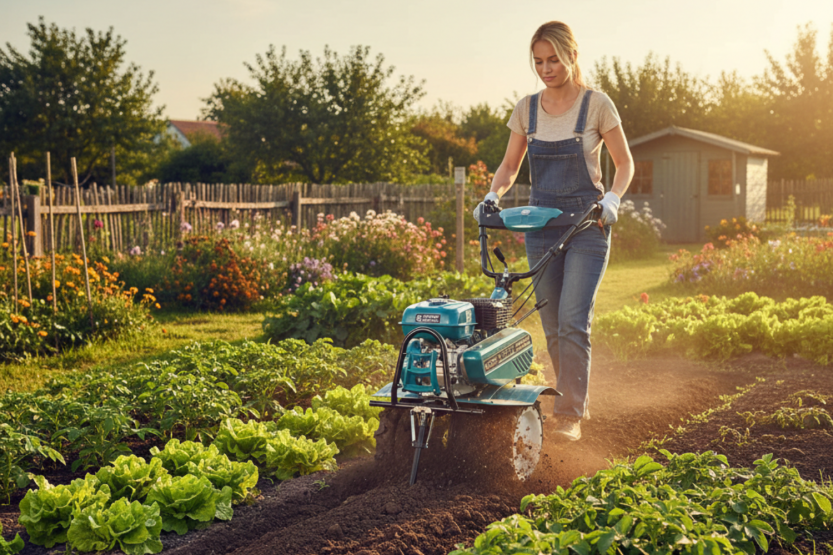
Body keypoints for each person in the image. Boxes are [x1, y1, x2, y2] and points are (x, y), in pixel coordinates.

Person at [475, 21, 634, 441]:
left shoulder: (597, 105)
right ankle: (573, 396)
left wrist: (613, 198)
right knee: (551, 326)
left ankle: (569, 415)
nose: (546, 69)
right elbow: (510, 166)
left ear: (572, 57)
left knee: (572, 321)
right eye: (539, 61)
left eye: (554, 61)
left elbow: (625, 163)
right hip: (542, 228)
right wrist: (493, 194)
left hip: (586, 226)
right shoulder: (526, 110)